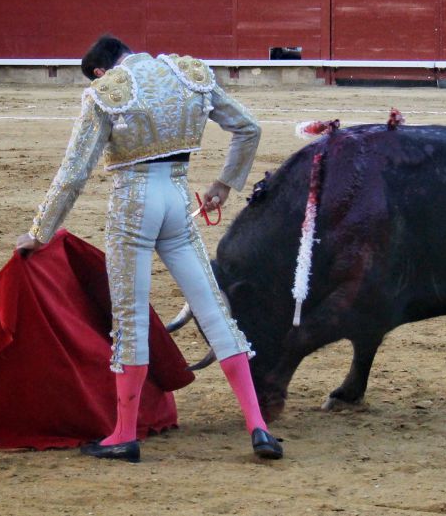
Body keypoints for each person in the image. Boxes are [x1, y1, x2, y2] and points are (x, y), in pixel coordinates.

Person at [14, 35, 283, 463]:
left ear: (101, 71)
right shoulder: (188, 74)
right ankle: (258, 427)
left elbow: (74, 172)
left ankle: (123, 433)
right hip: (178, 199)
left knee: (131, 318)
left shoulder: (107, 91)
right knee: (214, 310)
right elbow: (249, 128)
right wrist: (224, 183)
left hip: (133, 203)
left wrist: (40, 232)